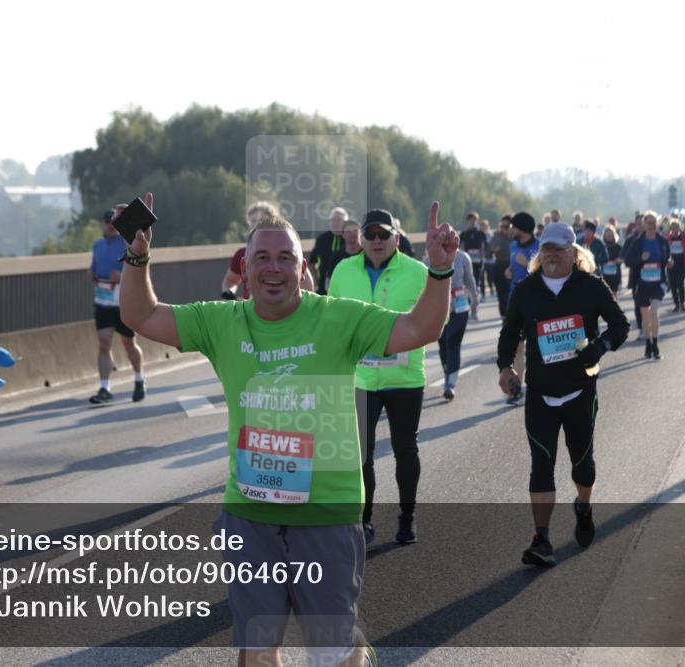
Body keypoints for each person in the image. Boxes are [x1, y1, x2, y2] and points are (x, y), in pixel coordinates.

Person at [118, 192, 458, 667]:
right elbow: (141, 315)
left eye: (285, 258)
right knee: (255, 651)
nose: (272, 267)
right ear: (246, 268)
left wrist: (440, 270)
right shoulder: (222, 322)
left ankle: (353, 651)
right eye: (261, 258)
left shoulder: (337, 316)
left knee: (330, 654)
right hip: (250, 514)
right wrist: (136, 256)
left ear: (302, 269)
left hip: (327, 513)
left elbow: (421, 328)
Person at [497, 222, 630, 567]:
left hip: (579, 392)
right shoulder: (526, 290)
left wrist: (599, 347)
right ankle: (541, 538)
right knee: (541, 465)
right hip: (540, 394)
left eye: (559, 249)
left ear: (574, 253)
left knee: (582, 465)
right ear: (540, 253)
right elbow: (510, 333)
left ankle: (583, 507)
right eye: (547, 249)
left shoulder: (591, 287)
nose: (552, 255)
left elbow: (621, 327)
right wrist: (505, 368)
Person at [329, 209, 430, 545]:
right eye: (369, 235)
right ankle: (364, 520)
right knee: (361, 455)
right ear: (360, 239)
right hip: (360, 379)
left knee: (405, 449)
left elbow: (432, 320)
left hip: (404, 378)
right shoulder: (343, 270)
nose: (375, 241)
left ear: (396, 239)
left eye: (382, 235)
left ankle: (407, 514)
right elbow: (333, 318)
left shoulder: (417, 272)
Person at [89, 208, 146, 404]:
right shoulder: (97, 246)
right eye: (106, 221)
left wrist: (121, 277)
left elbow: (141, 271)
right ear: (102, 224)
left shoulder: (127, 243)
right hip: (103, 302)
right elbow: (94, 269)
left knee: (129, 343)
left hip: (124, 302)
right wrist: (92, 275)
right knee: (104, 343)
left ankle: (139, 379)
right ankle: (105, 387)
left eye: (113, 221)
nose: (109, 224)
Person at [503, 212, 540, 404]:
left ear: (522, 228)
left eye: (514, 227)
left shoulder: (540, 246)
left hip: (536, 302)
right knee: (517, 347)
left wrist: (528, 266)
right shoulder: (512, 246)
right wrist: (509, 271)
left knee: (538, 347)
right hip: (515, 302)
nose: (511, 230)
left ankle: (539, 385)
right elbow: (513, 267)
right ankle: (517, 389)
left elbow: (548, 273)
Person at [624, 211, 671, 360]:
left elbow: (667, 259)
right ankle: (648, 344)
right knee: (645, 315)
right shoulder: (637, 242)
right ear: (643, 224)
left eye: (653, 222)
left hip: (658, 282)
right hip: (642, 283)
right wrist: (640, 258)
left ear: (657, 224)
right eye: (648, 222)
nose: (651, 225)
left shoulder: (662, 242)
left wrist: (669, 263)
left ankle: (655, 344)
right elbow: (628, 261)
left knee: (654, 312)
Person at [437, 245, 478, 400]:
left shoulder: (462, 257)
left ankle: (451, 385)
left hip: (460, 307)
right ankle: (447, 374)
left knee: (452, 342)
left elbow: (470, 279)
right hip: (439, 309)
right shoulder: (429, 260)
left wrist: (474, 299)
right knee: (443, 344)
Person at [222, 201, 279, 300]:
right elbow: (230, 280)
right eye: (253, 220)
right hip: (249, 309)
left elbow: (307, 284)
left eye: (262, 220)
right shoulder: (242, 254)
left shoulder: (286, 250)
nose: (257, 224)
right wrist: (229, 295)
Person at [309, 206, 348, 294]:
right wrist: (316, 281)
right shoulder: (322, 239)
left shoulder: (349, 239)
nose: (335, 223)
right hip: (324, 288)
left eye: (339, 220)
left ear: (346, 222)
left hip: (346, 285)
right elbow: (312, 262)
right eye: (333, 220)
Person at [324, 219, 362, 289]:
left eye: (355, 231)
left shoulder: (367, 255)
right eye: (348, 231)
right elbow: (329, 283)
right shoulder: (336, 257)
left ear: (361, 233)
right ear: (343, 234)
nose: (352, 234)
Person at [489, 215, 513, 316]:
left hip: (512, 266)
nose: (503, 229)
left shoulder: (515, 237)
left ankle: (512, 314)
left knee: (510, 293)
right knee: (500, 294)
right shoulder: (496, 235)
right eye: (502, 226)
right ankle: (504, 316)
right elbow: (488, 251)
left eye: (506, 227)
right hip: (499, 265)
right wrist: (492, 249)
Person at [460, 211, 487, 301]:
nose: (472, 221)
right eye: (470, 220)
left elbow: (486, 246)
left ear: (477, 221)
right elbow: (457, 245)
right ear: (468, 221)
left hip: (478, 261)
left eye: (474, 220)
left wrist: (483, 252)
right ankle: (469, 297)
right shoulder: (464, 234)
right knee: (468, 279)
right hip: (467, 260)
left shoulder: (481, 233)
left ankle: (477, 296)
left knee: (477, 278)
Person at [667, 219, 685, 312]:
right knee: (673, 286)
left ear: (679, 228)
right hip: (671, 265)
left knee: (680, 284)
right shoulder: (668, 238)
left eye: (676, 228)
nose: (674, 230)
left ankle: (682, 303)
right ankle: (676, 304)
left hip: (681, 264)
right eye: (672, 228)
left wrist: (684, 233)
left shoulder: (684, 237)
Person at [601, 227, 623, 294]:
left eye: (610, 235)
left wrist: (619, 260)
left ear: (614, 235)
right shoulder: (601, 246)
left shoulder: (618, 247)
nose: (609, 237)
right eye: (607, 235)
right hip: (603, 275)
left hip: (615, 275)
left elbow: (622, 258)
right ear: (604, 236)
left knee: (613, 295)